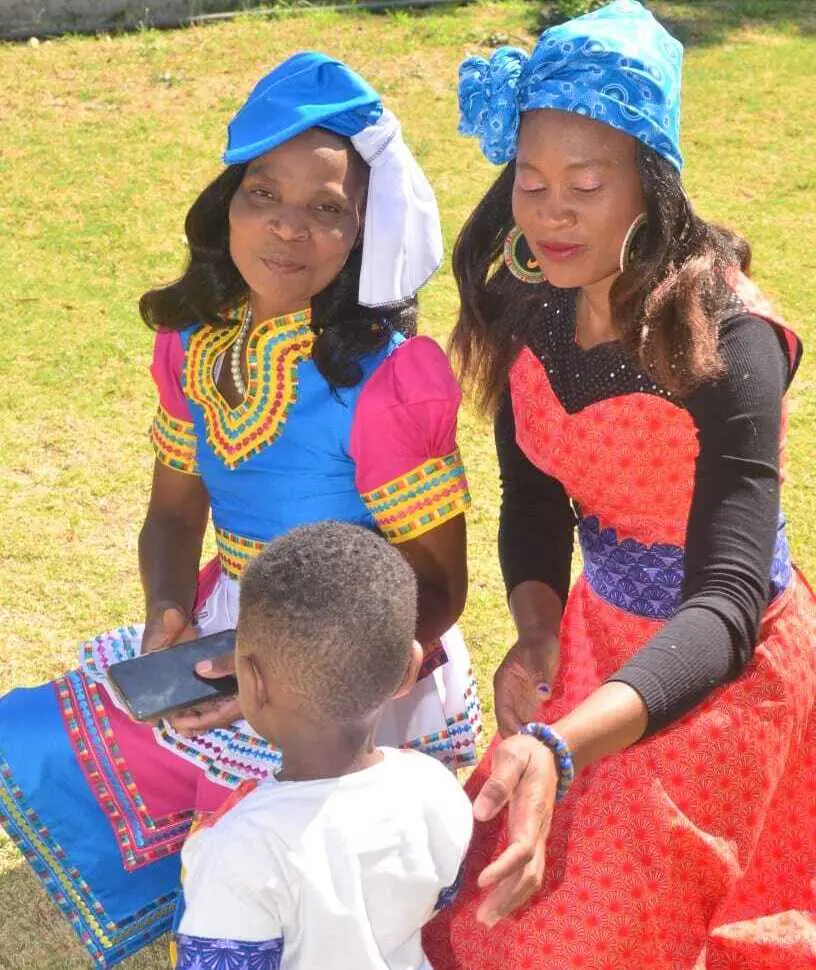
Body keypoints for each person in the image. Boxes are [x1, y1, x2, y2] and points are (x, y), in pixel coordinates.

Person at [0, 52, 480, 968]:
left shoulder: (386, 379)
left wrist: (296, 675)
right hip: (234, 616)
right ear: (229, 203)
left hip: (360, 653)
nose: (289, 228)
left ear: (364, 232)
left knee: (288, 849)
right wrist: (168, 618)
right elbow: (174, 513)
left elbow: (439, 588)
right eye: (265, 193)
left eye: (328, 207)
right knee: (39, 731)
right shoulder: (194, 342)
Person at [422, 2, 816, 968]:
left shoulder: (733, 343)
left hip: (727, 675)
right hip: (595, 643)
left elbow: (725, 607)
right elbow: (534, 499)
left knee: (596, 936)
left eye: (586, 186)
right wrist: (540, 627)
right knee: (486, 914)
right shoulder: (531, 306)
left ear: (652, 185)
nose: (550, 213)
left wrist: (558, 747)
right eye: (532, 182)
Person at [172, 521, 473, 970]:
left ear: (252, 681)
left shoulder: (240, 848)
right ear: (409, 670)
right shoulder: (436, 788)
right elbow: (444, 893)